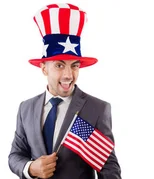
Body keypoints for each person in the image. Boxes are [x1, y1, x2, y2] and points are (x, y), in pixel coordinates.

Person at [8, 3, 121, 179]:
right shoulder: (26, 108)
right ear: (44, 68)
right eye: (60, 65)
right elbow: (15, 155)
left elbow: (108, 167)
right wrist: (30, 168)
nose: (69, 75)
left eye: (74, 66)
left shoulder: (97, 108)